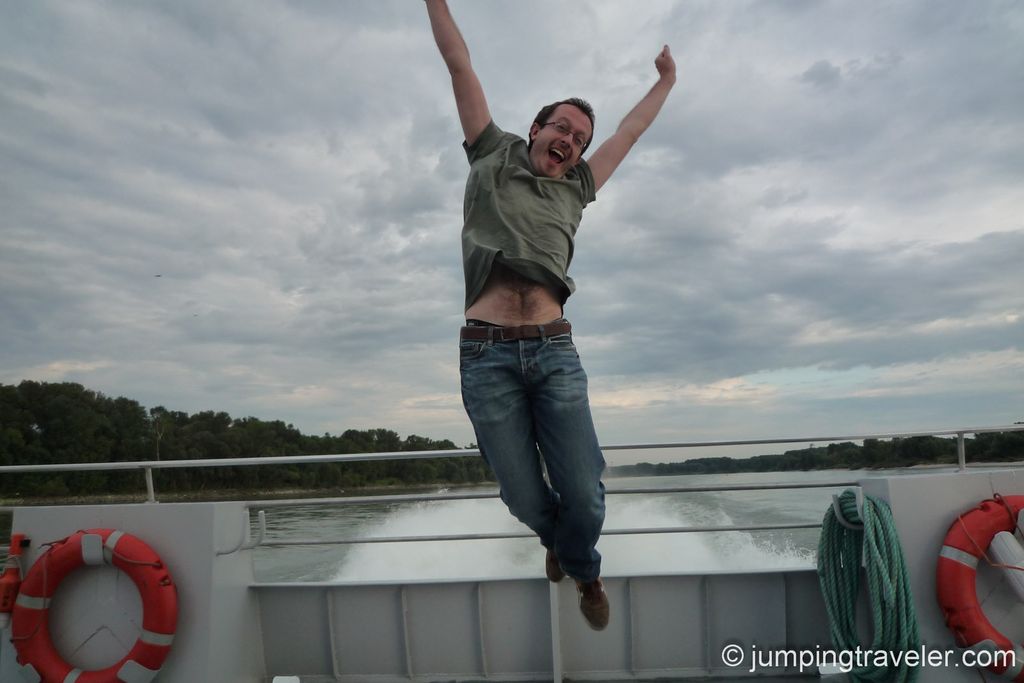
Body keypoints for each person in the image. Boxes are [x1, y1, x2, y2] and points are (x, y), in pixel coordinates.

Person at [425, 0, 676, 631]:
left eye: (578, 139)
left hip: (554, 351)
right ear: (536, 127)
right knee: (520, 493)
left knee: (586, 492)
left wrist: (665, 82)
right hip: (485, 357)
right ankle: (559, 548)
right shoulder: (490, 154)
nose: (568, 141)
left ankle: (583, 569)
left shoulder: (579, 187)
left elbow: (631, 132)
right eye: (560, 127)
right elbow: (459, 65)